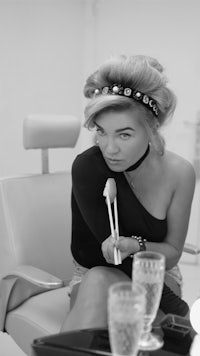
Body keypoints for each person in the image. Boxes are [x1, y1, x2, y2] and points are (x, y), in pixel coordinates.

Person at [61, 54, 195, 332]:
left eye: (124, 135)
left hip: (157, 276)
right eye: (101, 132)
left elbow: (170, 253)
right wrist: (181, 315)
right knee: (100, 279)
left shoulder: (180, 173)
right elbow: (118, 263)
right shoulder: (88, 168)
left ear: (152, 128)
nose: (109, 148)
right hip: (92, 276)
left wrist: (138, 246)